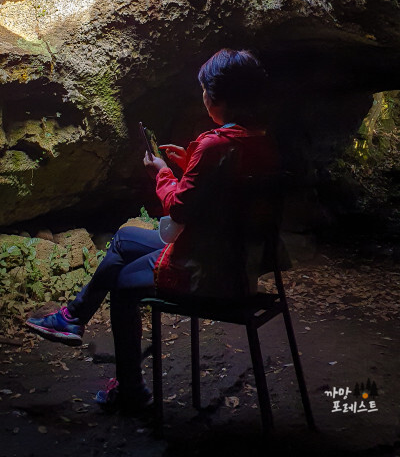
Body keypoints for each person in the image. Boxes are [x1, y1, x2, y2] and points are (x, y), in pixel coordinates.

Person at [25, 48, 279, 413]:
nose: (203, 95)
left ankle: (130, 387)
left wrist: (161, 171)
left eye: (206, 89)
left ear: (218, 97)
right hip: (241, 263)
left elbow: (179, 208)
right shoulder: (260, 140)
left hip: (208, 270)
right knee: (126, 237)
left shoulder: (215, 144)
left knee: (122, 285)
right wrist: (189, 164)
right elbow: (221, 191)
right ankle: (73, 317)